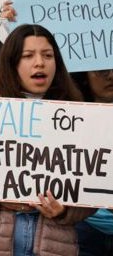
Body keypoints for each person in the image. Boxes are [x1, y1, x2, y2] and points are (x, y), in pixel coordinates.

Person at [0, 24, 93, 256]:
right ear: (12, 62)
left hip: (53, 243)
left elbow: (91, 189)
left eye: (48, 55)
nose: (39, 63)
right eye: (28, 56)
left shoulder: (76, 114)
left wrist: (64, 211)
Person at [71, 69, 113, 255]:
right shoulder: (67, 119)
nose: (111, 76)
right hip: (85, 226)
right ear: (84, 75)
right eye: (102, 71)